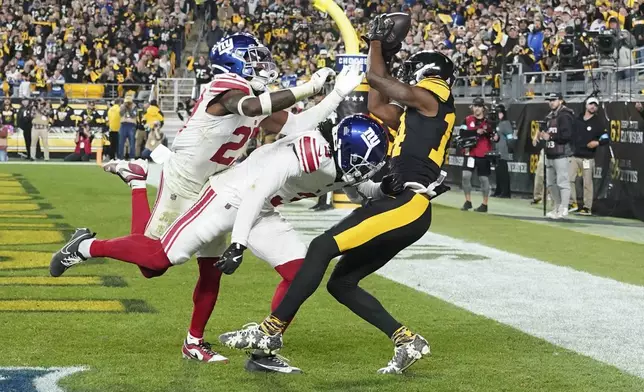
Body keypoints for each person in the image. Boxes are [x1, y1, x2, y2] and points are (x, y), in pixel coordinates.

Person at [50, 33, 360, 363]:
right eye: (253, 57)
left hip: (216, 184)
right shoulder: (225, 87)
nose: (262, 63)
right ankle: (87, 243)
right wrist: (310, 88)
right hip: (183, 182)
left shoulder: (256, 94)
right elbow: (251, 107)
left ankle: (193, 342)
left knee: (210, 269)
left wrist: (337, 93)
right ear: (234, 61)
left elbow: (297, 123)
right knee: (152, 266)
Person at [51, 114, 386, 374]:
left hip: (262, 207)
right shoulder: (305, 152)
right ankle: (84, 247)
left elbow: (355, 185)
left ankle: (260, 349)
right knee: (159, 260)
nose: (363, 171)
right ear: (342, 149)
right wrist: (238, 244)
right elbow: (254, 193)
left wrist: (390, 190)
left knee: (301, 274)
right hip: (229, 197)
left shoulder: (343, 159)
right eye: (362, 163)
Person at [218, 19, 455, 375]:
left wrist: (377, 45)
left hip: (408, 202)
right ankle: (407, 340)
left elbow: (377, 81)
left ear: (425, 73)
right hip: (404, 205)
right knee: (341, 283)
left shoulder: (435, 94)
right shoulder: (422, 111)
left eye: (411, 71)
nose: (406, 76)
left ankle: (270, 332)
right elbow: (377, 103)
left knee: (320, 247)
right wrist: (380, 52)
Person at [569, 97, 608, 215]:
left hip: (588, 157)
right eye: (591, 104)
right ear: (586, 105)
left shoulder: (598, 122)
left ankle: (587, 207)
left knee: (587, 183)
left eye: (595, 105)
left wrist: (597, 142)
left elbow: (606, 137)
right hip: (575, 156)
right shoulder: (578, 119)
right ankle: (572, 202)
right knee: (568, 179)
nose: (593, 107)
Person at [460, 97, 499, 212]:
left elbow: (494, 136)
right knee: (465, 176)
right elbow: (462, 133)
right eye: (475, 106)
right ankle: (468, 201)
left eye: (479, 106)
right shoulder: (467, 120)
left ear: (483, 108)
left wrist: (496, 137)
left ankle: (484, 204)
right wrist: (475, 131)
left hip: (483, 153)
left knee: (483, 179)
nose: (476, 109)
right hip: (470, 152)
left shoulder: (488, 122)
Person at [540, 93, 574, 219]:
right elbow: (544, 129)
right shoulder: (549, 116)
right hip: (550, 152)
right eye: (550, 100)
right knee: (550, 183)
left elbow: (567, 135)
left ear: (560, 101)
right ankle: (558, 206)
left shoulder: (565, 115)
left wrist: (551, 137)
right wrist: (540, 134)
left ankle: (564, 208)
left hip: (562, 153)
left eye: (554, 100)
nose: (551, 102)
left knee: (563, 182)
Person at [491, 104, 513, 198]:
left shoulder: (506, 123)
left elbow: (510, 137)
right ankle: (499, 190)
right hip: (497, 151)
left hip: (503, 151)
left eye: (500, 113)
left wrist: (510, 147)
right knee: (498, 172)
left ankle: (505, 192)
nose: (498, 115)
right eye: (497, 113)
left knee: (503, 172)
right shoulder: (498, 124)